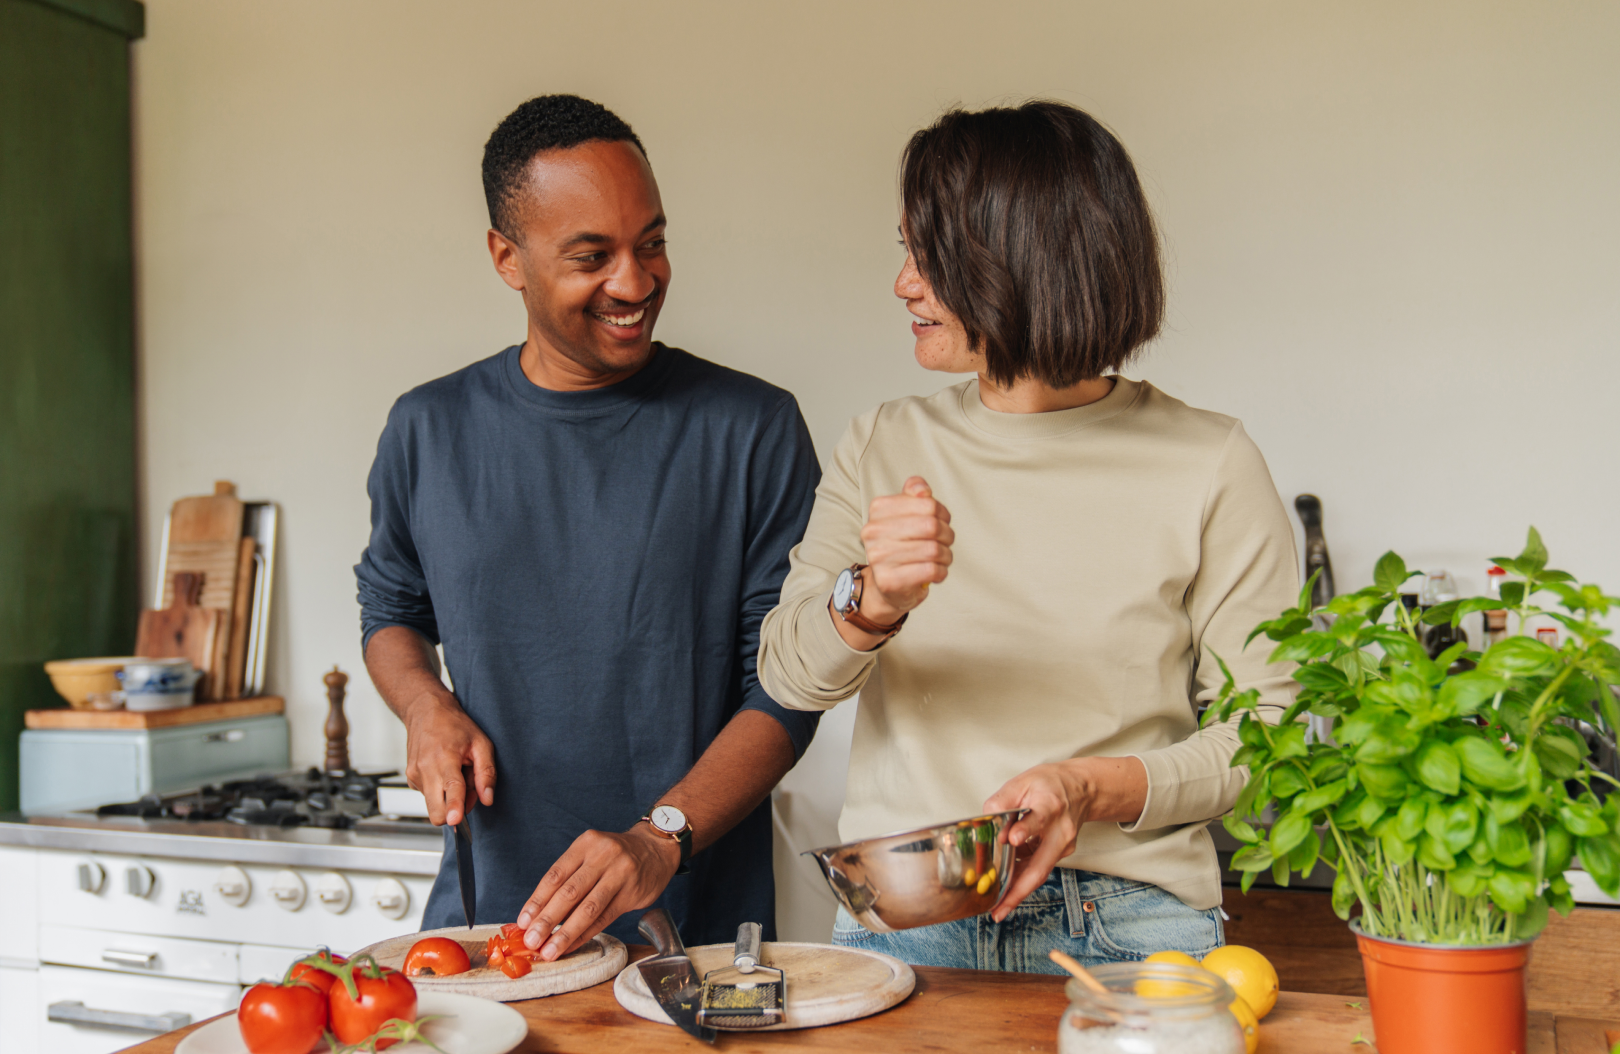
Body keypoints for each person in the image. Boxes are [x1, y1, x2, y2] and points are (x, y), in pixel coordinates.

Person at [756, 101, 1298, 971]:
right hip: (908, 913)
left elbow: (1269, 734)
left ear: (1027, 258)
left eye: (929, 255)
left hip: (1129, 917)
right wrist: (872, 598)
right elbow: (786, 671)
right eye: (904, 247)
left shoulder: (1210, 461)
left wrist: (1088, 788)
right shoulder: (882, 443)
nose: (903, 282)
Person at [356, 94, 821, 959]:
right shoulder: (427, 429)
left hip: (697, 949)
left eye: (652, 243)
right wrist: (425, 706)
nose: (636, 283)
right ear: (508, 257)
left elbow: (792, 689)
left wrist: (658, 838)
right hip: (485, 934)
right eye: (592, 256)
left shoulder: (751, 429)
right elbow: (391, 609)